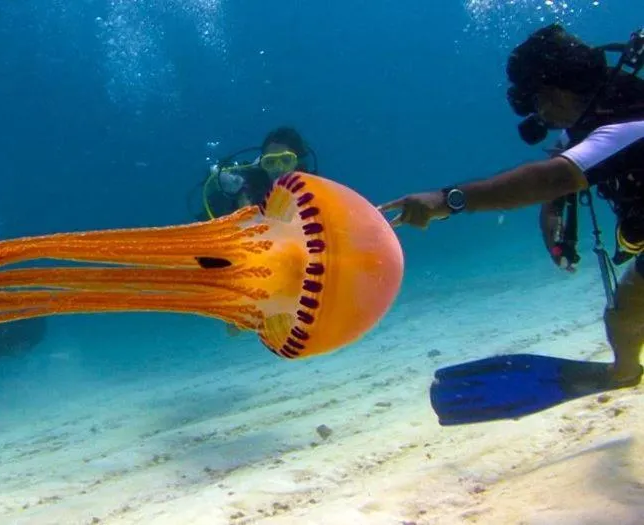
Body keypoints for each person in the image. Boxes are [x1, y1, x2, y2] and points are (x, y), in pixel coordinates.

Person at [379, 23, 644, 427]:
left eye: (536, 104)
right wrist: (552, 212)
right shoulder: (602, 118)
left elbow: (551, 177)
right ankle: (624, 372)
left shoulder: (630, 122)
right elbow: (570, 166)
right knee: (624, 312)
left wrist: (447, 200)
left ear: (552, 92)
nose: (542, 117)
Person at [194, 126, 319, 221]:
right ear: (262, 164)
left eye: (286, 160)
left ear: (298, 162)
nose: (279, 169)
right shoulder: (247, 188)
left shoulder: (313, 191)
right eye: (270, 162)